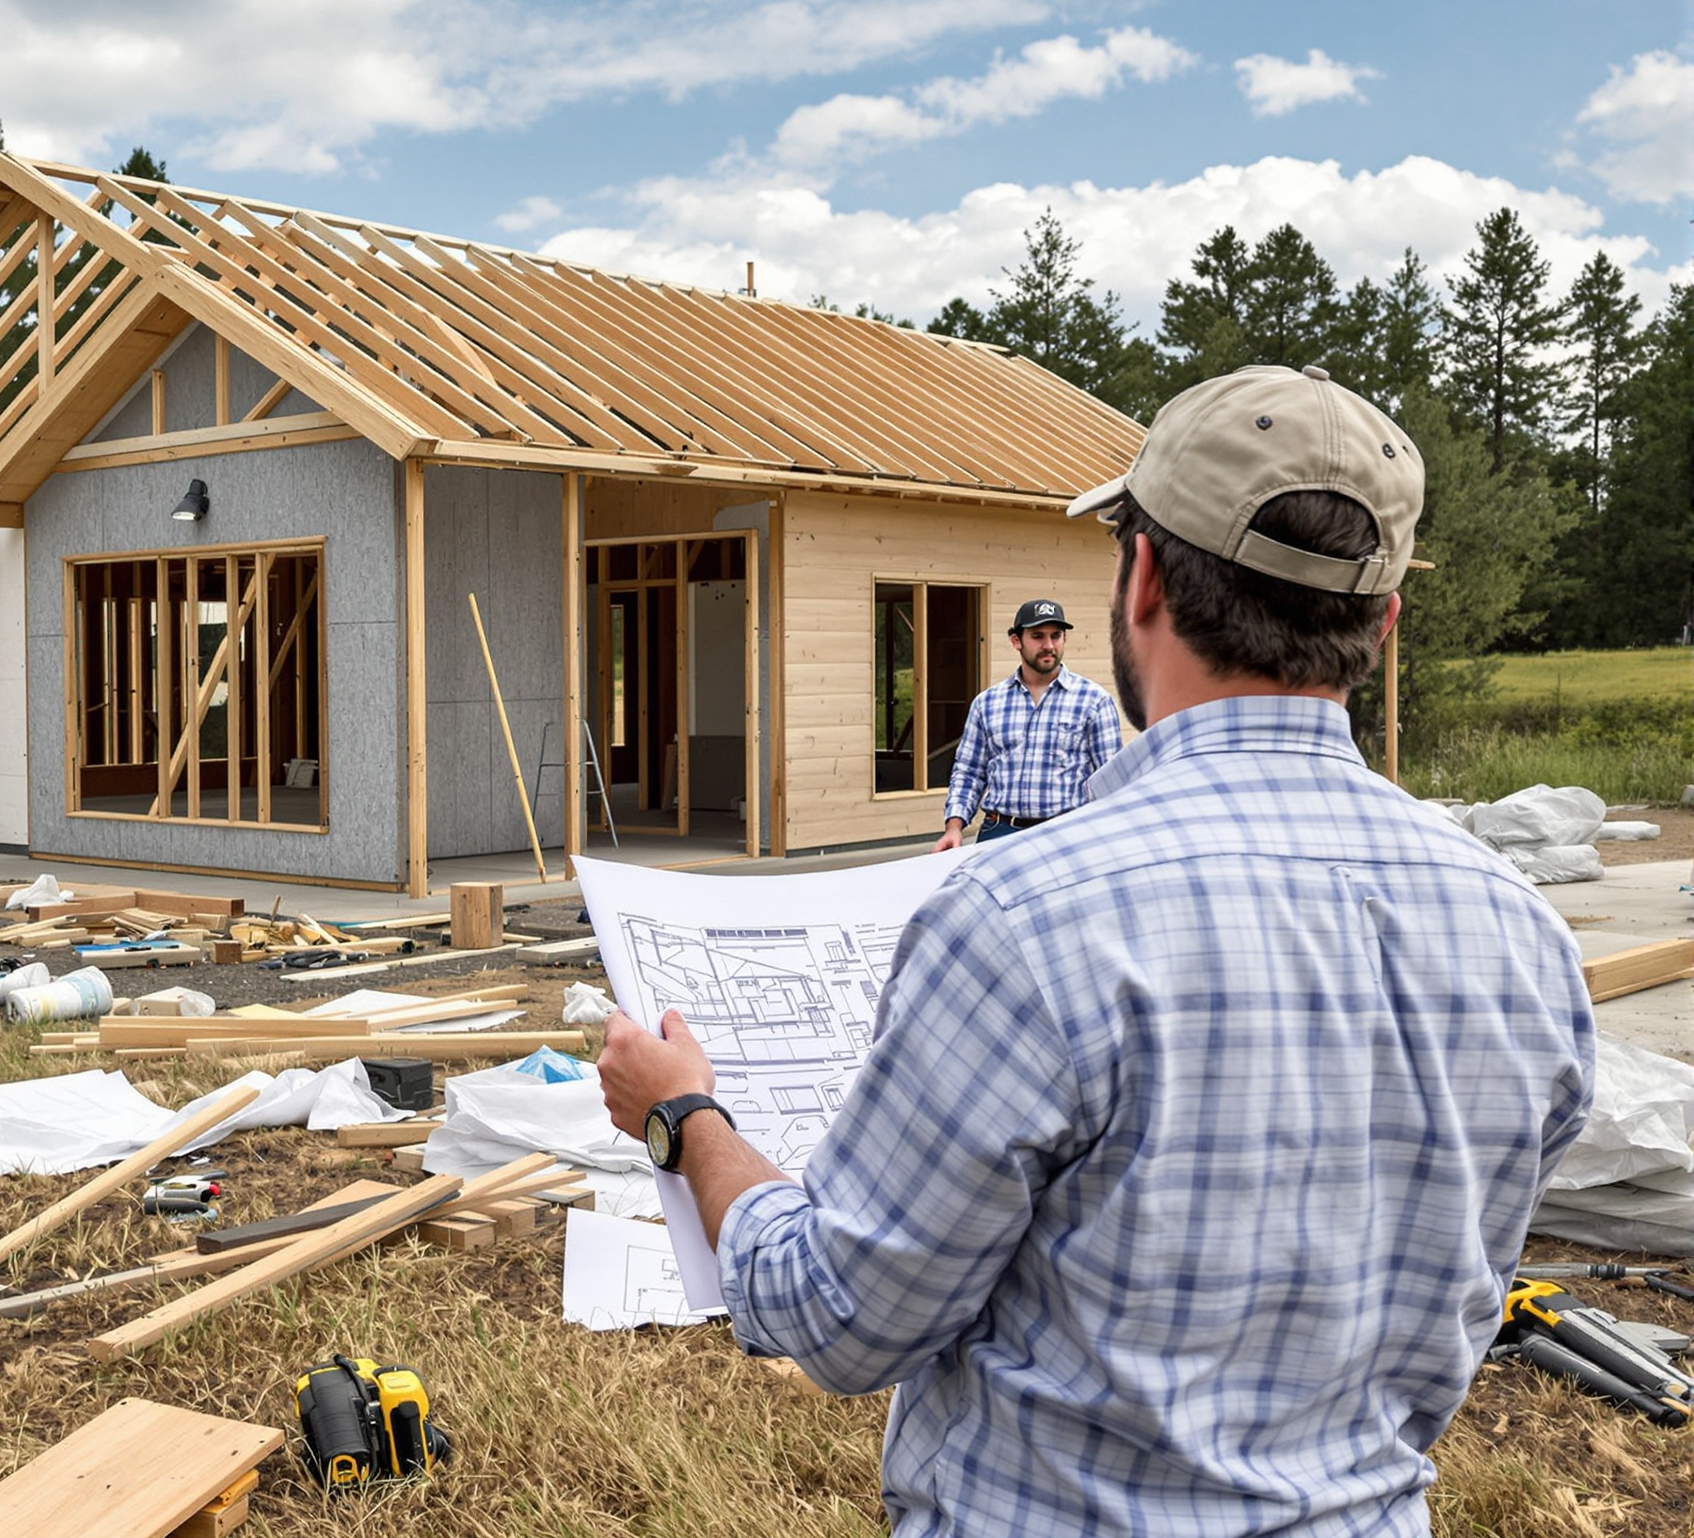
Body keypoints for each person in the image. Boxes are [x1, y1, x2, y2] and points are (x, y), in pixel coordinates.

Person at [600, 364, 1594, 1536]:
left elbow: (838, 1317)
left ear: (1145, 579)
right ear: (1383, 620)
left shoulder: (1022, 926)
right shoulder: (1525, 937)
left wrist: (686, 1120)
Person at [933, 597, 1123, 849]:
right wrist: (954, 827)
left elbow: (1113, 780)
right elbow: (969, 772)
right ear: (1016, 641)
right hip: (999, 832)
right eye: (1037, 636)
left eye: (1056, 636)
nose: (1048, 645)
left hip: (1066, 834)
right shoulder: (987, 704)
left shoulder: (1094, 701)